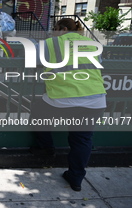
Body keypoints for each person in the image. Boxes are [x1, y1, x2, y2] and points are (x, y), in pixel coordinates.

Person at [30, 18, 106, 191]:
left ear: (63, 29)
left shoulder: (51, 43)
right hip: (95, 100)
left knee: (38, 111)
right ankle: (76, 178)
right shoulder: (92, 43)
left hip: (63, 98)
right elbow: (99, 65)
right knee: (82, 139)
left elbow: (30, 61)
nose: (52, 33)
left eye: (55, 29)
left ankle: (45, 148)